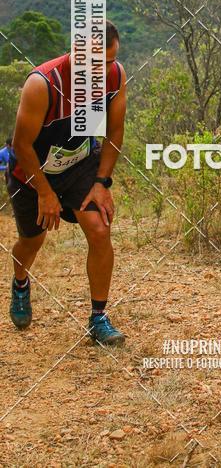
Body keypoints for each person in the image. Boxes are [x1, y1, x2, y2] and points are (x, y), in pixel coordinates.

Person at [6, 20, 127, 345]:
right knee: (33, 240)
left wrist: (102, 182)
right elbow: (21, 145)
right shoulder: (43, 84)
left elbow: (114, 132)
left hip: (79, 161)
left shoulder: (114, 77)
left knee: (99, 229)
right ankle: (20, 282)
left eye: (110, 61)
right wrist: (44, 192)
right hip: (32, 169)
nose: (104, 71)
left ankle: (98, 318)